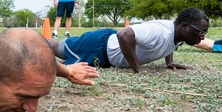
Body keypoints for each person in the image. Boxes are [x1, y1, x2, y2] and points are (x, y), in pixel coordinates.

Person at [47, 8, 209, 72]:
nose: (202, 37)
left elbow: (172, 43)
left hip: (106, 53)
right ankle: (26, 38)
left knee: (56, 48)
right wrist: (138, 68)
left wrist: (169, 62)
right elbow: (124, 35)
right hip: (98, 47)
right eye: (200, 32)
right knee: (54, 49)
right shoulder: (158, 31)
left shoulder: (179, 35)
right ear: (184, 26)